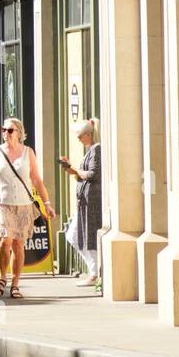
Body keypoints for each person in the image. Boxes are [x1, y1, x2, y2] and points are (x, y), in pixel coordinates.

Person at [0, 117, 55, 300]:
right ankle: (1, 277)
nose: (6, 133)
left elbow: (36, 179)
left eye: (10, 130)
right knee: (4, 240)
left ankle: (15, 283)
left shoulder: (28, 152)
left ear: (19, 133)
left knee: (18, 244)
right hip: (1, 204)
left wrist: (47, 204)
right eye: (3, 129)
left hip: (23, 205)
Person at [60, 118, 101, 287]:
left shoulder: (96, 150)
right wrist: (71, 169)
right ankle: (94, 271)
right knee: (74, 235)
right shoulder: (89, 150)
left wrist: (75, 169)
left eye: (79, 136)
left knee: (87, 235)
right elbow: (82, 175)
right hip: (84, 201)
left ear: (89, 134)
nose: (77, 139)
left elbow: (92, 174)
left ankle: (95, 273)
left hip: (92, 201)